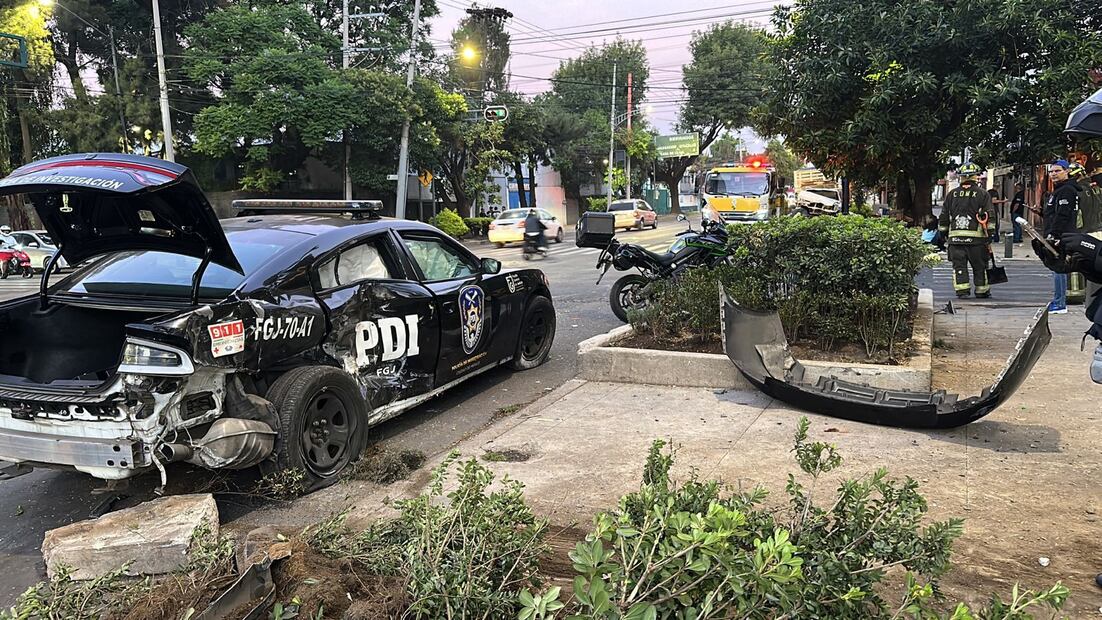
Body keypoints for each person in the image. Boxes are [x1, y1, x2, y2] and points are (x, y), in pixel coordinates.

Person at [938, 162, 994, 298]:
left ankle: (962, 291)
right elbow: (990, 216)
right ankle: (981, 291)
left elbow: (944, 216)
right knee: (980, 266)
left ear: (961, 177)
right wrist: (990, 235)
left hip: (956, 240)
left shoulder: (952, 194)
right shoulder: (983, 194)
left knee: (959, 267)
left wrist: (943, 234)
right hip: (977, 240)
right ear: (976, 176)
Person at [1039, 160, 1081, 314]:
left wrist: (1054, 234)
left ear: (1066, 171)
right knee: (1058, 269)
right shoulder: (1059, 190)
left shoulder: (1067, 190)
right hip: (1060, 234)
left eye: (1057, 171)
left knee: (1058, 269)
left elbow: (1063, 214)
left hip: (1062, 235)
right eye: (1051, 172)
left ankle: (1060, 303)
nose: (1053, 174)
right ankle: (1058, 300)